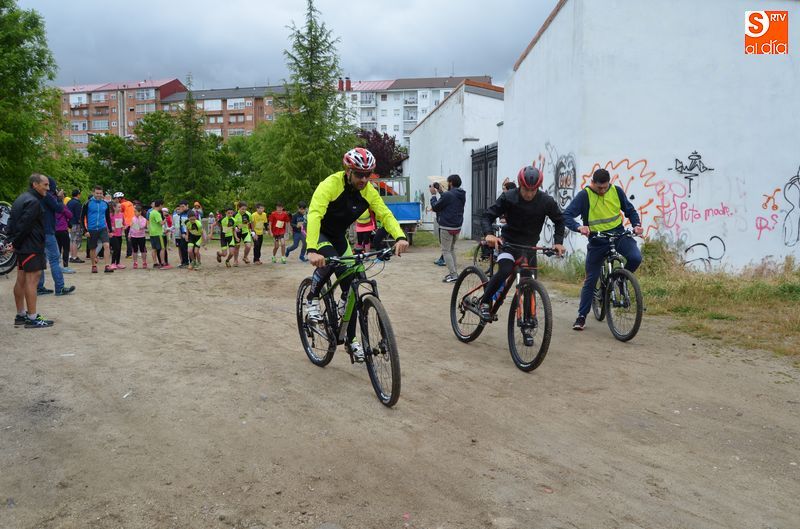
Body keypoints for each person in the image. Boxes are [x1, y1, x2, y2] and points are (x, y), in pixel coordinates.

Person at [304, 147, 409, 361]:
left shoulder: (369, 191)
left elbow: (385, 214)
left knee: (353, 287)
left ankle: (351, 340)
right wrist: (312, 248)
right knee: (332, 262)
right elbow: (314, 214)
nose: (364, 179)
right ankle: (312, 298)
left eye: (368, 174)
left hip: (338, 236)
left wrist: (399, 236)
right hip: (320, 233)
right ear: (348, 171)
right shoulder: (330, 185)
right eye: (360, 174)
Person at [479, 166, 566, 327]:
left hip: (529, 248)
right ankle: (485, 302)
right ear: (520, 185)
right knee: (505, 270)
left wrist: (558, 242)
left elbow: (559, 221)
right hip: (508, 244)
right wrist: (489, 234)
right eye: (526, 189)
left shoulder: (546, 201)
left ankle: (528, 318)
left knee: (529, 284)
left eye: (533, 190)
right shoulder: (508, 197)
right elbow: (487, 215)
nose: (529, 194)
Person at [562, 168, 643, 331]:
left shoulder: (616, 191)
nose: (602, 190)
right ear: (593, 183)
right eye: (599, 187)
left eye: (605, 187)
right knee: (591, 279)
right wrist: (579, 227)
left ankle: (620, 279)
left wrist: (636, 225)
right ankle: (581, 316)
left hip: (618, 235)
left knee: (635, 257)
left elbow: (630, 210)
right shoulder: (585, 195)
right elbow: (566, 215)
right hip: (598, 240)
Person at [7, 174, 55, 328]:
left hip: (24, 247)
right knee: (32, 280)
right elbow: (24, 225)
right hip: (31, 246)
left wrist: (12, 241)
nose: (48, 188)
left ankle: (21, 315)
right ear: (35, 184)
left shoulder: (21, 198)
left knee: (21, 279)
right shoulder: (33, 201)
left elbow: (11, 221)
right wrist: (15, 242)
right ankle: (32, 317)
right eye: (45, 185)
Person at [37, 177, 76, 295]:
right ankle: (60, 287)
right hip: (48, 231)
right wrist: (59, 198)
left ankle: (39, 287)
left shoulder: (36, 196)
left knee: (41, 259)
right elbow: (59, 208)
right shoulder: (48, 196)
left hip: (38, 232)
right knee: (54, 259)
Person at [430, 173, 467, 283]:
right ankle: (454, 273)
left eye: (447, 182)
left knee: (446, 251)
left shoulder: (448, 195)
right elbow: (449, 200)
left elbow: (436, 207)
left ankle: (453, 275)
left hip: (447, 226)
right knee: (451, 249)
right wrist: (441, 192)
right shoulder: (461, 193)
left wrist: (433, 195)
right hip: (457, 225)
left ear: (451, 183)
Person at [81, 185, 114, 274]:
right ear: (93, 193)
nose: (99, 195)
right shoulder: (87, 203)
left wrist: (110, 230)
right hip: (91, 229)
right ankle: (94, 266)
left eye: (100, 193)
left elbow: (108, 218)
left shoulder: (105, 204)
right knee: (92, 248)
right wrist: (85, 231)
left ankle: (107, 266)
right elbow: (81, 218)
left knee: (106, 245)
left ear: (102, 194)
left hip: (102, 228)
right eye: (97, 193)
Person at [54, 195, 74, 274]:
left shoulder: (53, 207)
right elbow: (70, 215)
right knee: (66, 249)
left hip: (55, 230)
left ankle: (57, 266)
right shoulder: (63, 207)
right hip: (63, 230)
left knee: (57, 249)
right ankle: (65, 266)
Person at [148, 200, 168, 269]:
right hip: (158, 233)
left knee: (154, 249)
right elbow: (161, 223)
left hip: (152, 233)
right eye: (162, 205)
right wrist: (165, 220)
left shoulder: (151, 212)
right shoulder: (157, 213)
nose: (162, 207)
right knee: (162, 248)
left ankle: (155, 263)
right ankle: (163, 263)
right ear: (160, 205)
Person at [114, 192, 134, 258]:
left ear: (119, 198)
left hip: (127, 223)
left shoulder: (122, 205)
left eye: (116, 198)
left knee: (128, 238)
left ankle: (129, 254)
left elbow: (118, 213)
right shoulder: (130, 203)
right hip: (133, 222)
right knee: (133, 237)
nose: (115, 200)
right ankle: (135, 251)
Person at [67, 189, 84, 264]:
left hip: (70, 223)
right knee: (75, 240)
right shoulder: (77, 203)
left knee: (71, 240)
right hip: (76, 223)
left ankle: (71, 256)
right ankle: (74, 257)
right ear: (78, 194)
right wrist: (81, 224)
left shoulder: (69, 202)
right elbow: (79, 215)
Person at [129, 204, 148, 269]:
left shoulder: (144, 219)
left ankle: (144, 262)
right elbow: (131, 227)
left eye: (136, 211)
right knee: (134, 250)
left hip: (141, 236)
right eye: (134, 211)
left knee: (143, 250)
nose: (134, 213)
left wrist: (139, 219)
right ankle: (135, 262)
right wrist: (129, 234)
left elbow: (142, 226)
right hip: (134, 236)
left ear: (140, 212)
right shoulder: (133, 218)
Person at [109, 201, 125, 269]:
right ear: (114, 207)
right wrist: (111, 228)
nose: (120, 208)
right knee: (116, 248)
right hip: (113, 235)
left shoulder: (122, 215)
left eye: (120, 207)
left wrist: (124, 226)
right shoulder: (111, 215)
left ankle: (118, 263)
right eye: (119, 207)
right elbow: (106, 223)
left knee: (119, 249)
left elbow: (124, 223)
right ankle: (112, 263)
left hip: (119, 234)